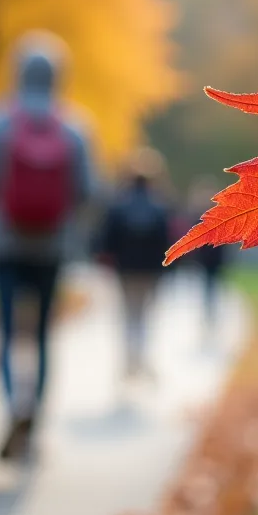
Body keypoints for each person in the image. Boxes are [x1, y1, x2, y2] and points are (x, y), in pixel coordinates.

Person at [0, 32, 93, 462]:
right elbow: (87, 189)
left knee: (4, 334)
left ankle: (11, 406)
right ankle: (33, 420)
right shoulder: (75, 128)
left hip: (4, 243)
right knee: (40, 336)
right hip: (52, 246)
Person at [95, 147, 174, 381]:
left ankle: (129, 362)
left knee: (128, 314)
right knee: (146, 316)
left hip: (125, 269)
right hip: (151, 270)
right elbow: (167, 240)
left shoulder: (119, 205)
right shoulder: (160, 206)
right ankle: (142, 358)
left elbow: (107, 239)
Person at [185, 177, 227, 331]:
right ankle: (209, 314)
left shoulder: (201, 218)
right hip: (213, 260)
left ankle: (209, 314)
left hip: (207, 260)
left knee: (208, 287)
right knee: (210, 287)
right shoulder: (215, 217)